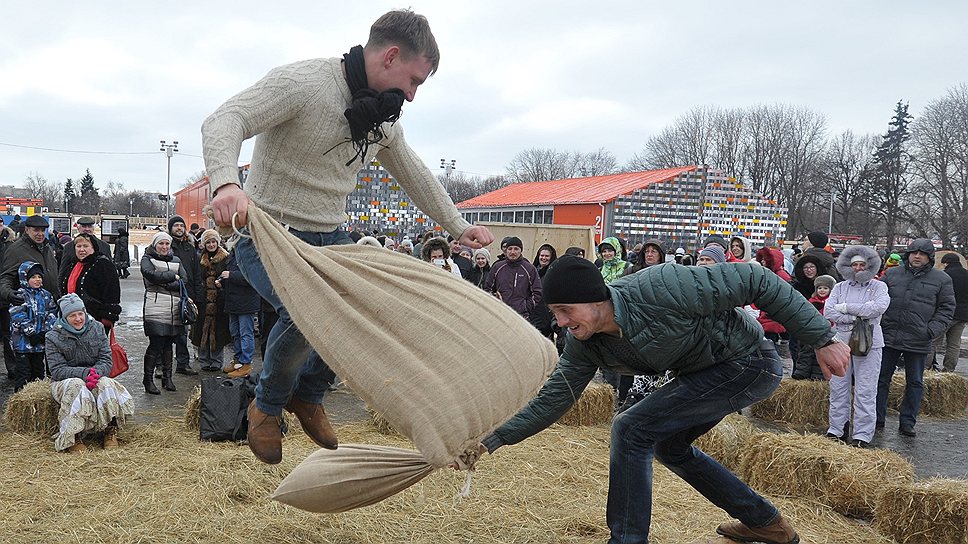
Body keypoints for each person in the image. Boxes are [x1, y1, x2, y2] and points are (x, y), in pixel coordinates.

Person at [203, 9, 493, 465]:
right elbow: (225, 119)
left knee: (356, 312)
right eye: (415, 81)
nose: (413, 96)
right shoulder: (303, 83)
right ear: (391, 56)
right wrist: (225, 182)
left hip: (330, 234)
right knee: (307, 313)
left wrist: (459, 225)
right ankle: (267, 406)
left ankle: (310, 394)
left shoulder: (382, 118)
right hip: (267, 229)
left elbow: (415, 174)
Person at [480, 255, 849, 544]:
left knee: (631, 428)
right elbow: (554, 398)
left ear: (595, 299)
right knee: (668, 447)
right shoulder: (584, 343)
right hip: (703, 373)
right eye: (554, 314)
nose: (560, 323)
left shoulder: (662, 286)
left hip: (748, 361)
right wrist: (492, 440)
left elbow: (757, 279)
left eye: (566, 311)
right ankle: (766, 524)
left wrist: (822, 338)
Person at [876, 239, 955, 437]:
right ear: (908, 254)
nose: (917, 256)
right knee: (881, 378)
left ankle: (908, 421)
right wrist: (881, 323)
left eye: (922, 253)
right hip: (889, 335)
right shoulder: (892, 274)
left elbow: (947, 308)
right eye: (914, 252)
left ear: (929, 257)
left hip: (918, 338)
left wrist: (930, 330)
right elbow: (877, 299)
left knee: (915, 382)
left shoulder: (942, 279)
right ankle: (877, 417)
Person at [47, 294, 134, 452]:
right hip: (66, 381)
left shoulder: (97, 328)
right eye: (72, 315)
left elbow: (106, 359)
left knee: (107, 383)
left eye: (80, 313)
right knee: (77, 385)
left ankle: (110, 429)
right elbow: (57, 369)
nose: (78, 318)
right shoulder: (53, 337)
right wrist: (85, 373)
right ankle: (73, 436)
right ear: (64, 317)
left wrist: (96, 373)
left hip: (95, 375)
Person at [823, 247, 890, 448]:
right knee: (838, 386)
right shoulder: (840, 287)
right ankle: (837, 428)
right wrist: (856, 317)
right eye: (854, 265)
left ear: (869, 266)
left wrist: (845, 309)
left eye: (862, 265)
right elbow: (829, 311)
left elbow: (877, 308)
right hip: (841, 341)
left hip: (870, 343)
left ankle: (862, 434)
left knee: (866, 389)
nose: (858, 268)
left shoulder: (879, 287)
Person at [140, 232, 187, 395]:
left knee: (169, 344)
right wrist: (172, 276)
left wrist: (166, 283)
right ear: (155, 245)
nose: (164, 247)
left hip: (174, 308)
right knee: (156, 344)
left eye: (167, 244)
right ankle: (148, 379)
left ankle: (168, 378)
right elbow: (150, 275)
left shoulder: (176, 260)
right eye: (161, 244)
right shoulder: (147, 259)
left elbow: (184, 280)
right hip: (156, 306)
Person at [58, 233, 122, 332]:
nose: (81, 249)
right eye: (78, 246)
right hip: (73, 318)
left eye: (86, 246)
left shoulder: (103, 264)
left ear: (93, 248)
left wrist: (108, 316)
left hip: (95, 318)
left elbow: (112, 291)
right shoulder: (73, 264)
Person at [9, 261, 58, 391]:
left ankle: (38, 401)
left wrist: (45, 332)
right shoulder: (20, 295)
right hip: (22, 344)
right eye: (33, 277)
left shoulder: (46, 295)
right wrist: (31, 332)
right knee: (23, 373)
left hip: (39, 344)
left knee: (38, 373)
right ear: (25, 279)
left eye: (39, 277)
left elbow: (52, 313)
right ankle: (20, 400)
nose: (37, 280)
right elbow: (18, 316)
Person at [190, 230, 232, 374]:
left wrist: (222, 285)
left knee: (218, 331)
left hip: (220, 302)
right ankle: (204, 360)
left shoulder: (226, 258)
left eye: (213, 241)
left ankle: (216, 361)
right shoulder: (200, 259)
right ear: (204, 244)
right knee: (201, 330)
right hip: (203, 301)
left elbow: (229, 277)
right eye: (208, 242)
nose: (211, 244)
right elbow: (196, 277)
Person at [167, 215, 202, 376]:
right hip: (169, 293)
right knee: (165, 331)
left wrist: (196, 295)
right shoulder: (166, 246)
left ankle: (183, 363)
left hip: (186, 294)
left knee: (182, 331)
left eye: (181, 225)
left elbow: (196, 273)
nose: (179, 228)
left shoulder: (190, 248)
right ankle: (163, 365)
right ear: (171, 228)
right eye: (176, 226)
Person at [1, 215, 60, 305]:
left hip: (50, 304)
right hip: (28, 306)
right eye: (36, 230)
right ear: (27, 230)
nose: (40, 234)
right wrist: (8, 293)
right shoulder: (16, 250)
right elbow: (6, 277)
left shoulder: (47, 248)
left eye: (43, 230)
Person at [220, 247, 261, 375]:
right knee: (235, 333)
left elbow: (252, 278)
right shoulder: (233, 253)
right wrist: (221, 281)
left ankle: (246, 363)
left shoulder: (250, 253)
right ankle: (238, 360)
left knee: (245, 333)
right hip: (233, 302)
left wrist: (230, 275)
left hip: (246, 303)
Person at [791, 275, 835, 380]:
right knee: (805, 353)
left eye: (825, 288)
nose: (822, 290)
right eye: (820, 288)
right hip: (811, 332)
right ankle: (802, 372)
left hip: (825, 333)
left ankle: (818, 375)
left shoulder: (831, 303)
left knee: (820, 356)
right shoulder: (811, 302)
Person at [486, 236, 541, 319]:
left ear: (521, 251)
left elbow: (537, 292)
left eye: (516, 249)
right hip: (500, 314)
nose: (512, 252)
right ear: (506, 250)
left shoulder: (529, 269)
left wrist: (525, 307)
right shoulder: (497, 267)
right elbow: (487, 289)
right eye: (510, 249)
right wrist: (495, 303)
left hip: (521, 316)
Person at [933, 253, 967, 372]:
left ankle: (925, 368)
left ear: (946, 263)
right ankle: (948, 370)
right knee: (954, 344)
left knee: (933, 341)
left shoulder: (945, 275)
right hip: (963, 315)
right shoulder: (966, 274)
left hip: (947, 314)